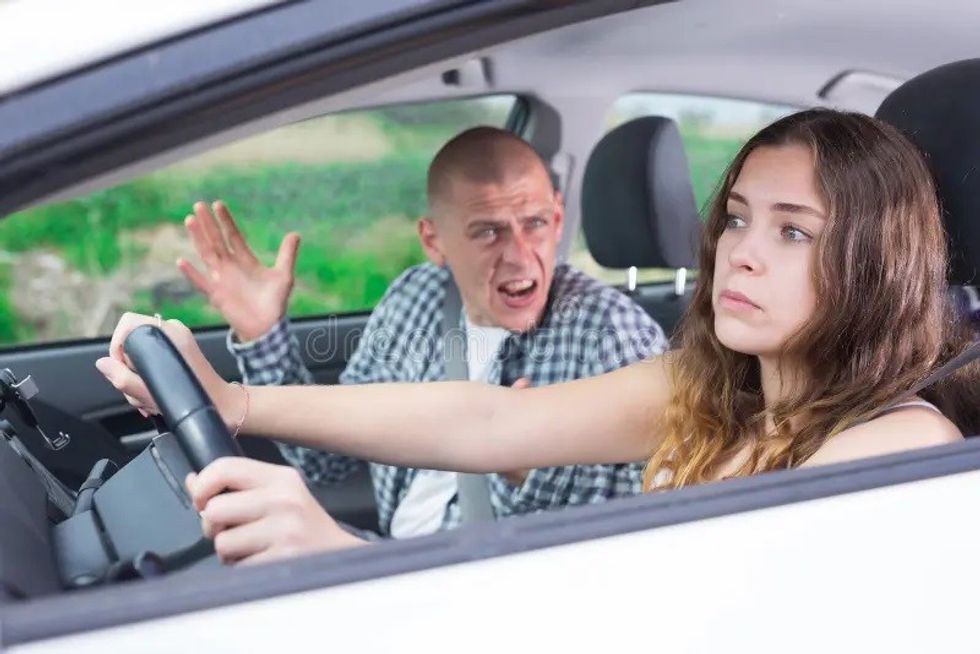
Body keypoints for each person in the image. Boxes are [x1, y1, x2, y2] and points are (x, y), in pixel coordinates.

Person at [97, 109, 976, 565]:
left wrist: (342, 558)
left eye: (793, 232)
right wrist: (237, 398)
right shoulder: (710, 386)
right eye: (738, 219)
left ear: (872, 263)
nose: (740, 254)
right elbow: (487, 424)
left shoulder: (901, 447)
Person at [163, 126, 667, 540]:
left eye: (534, 223)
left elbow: (636, 538)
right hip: (387, 557)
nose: (518, 254)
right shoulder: (415, 298)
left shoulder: (615, 337)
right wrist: (263, 333)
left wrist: (529, 469)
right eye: (487, 231)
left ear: (558, 220)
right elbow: (328, 463)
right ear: (434, 241)